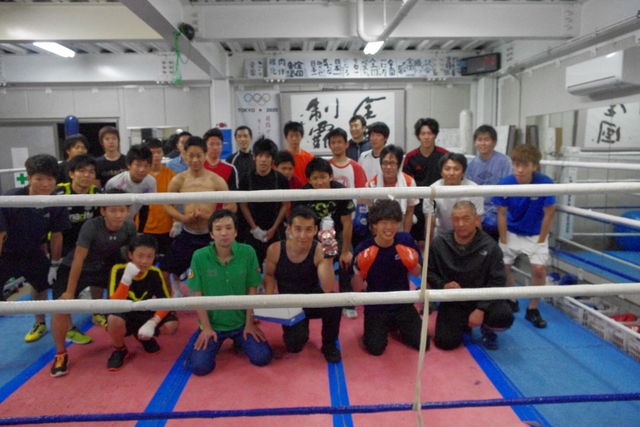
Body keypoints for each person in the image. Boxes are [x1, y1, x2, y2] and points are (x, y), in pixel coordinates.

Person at [50, 189, 136, 377]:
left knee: (121, 305)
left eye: (122, 210)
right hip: (75, 268)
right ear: (103, 211)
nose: (118, 215)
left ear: (128, 211)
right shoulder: (91, 226)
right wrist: (70, 292)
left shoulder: (129, 227)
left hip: (105, 268)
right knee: (60, 307)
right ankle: (60, 354)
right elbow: (78, 259)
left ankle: (119, 347)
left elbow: (132, 255)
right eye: (113, 210)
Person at [188, 210, 272, 375]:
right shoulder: (199, 256)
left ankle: (239, 341)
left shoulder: (248, 252)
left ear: (236, 232)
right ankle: (205, 335)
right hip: (213, 325)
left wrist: (249, 323)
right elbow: (197, 295)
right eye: (218, 229)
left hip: (241, 324)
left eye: (228, 228)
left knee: (263, 357)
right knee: (199, 367)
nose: (224, 233)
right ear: (211, 234)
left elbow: (252, 289)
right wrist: (206, 328)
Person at [0, 154, 70, 342]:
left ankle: (40, 323)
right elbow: (0, 234)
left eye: (50, 179)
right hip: (5, 253)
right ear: (29, 178)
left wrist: (54, 263)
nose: (45, 184)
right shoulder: (10, 199)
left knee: (41, 285)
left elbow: (57, 235)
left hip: (33, 252)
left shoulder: (56, 202)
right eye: (39, 179)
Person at [428, 200, 514, 350]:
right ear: (451, 220)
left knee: (502, 315)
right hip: (454, 300)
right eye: (456, 219)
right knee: (445, 343)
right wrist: (443, 285)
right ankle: (463, 324)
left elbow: (498, 281)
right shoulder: (439, 243)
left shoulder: (490, 246)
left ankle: (487, 328)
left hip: (481, 298)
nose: (461, 224)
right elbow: (429, 272)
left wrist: (481, 309)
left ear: (476, 219)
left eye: (466, 218)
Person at [264, 206, 342, 363]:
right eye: (298, 229)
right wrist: (268, 300)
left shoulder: (319, 250)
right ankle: (299, 326)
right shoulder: (275, 249)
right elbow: (269, 275)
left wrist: (329, 259)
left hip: (311, 300)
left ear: (315, 230)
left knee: (334, 302)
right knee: (294, 346)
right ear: (289, 229)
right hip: (289, 304)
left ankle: (329, 344)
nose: (303, 235)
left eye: (308, 230)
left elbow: (327, 288)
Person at [492, 144, 556, 328]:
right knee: (503, 266)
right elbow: (501, 213)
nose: (520, 170)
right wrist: (503, 239)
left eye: (525, 165)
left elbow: (549, 212)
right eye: (516, 165)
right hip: (511, 230)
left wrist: (541, 239)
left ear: (534, 166)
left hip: (536, 232)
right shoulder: (505, 183)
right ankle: (512, 298)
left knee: (539, 269)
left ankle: (532, 309)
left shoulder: (545, 183)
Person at [160, 137, 235, 286]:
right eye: (191, 155)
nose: (195, 160)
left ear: (205, 155)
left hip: (211, 235)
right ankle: (173, 298)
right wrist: (182, 218)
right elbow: (167, 205)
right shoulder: (178, 180)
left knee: (222, 271)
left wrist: (212, 217)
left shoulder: (215, 180)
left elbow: (232, 206)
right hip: (188, 232)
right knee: (164, 270)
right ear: (184, 155)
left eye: (199, 155)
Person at [352, 199, 424, 355]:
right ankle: (386, 325)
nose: (389, 227)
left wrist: (411, 262)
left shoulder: (405, 240)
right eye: (384, 223)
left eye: (393, 222)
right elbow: (357, 288)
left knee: (422, 343)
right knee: (375, 348)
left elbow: (416, 273)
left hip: (402, 303)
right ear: (374, 225)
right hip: (376, 306)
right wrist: (359, 270)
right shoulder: (364, 248)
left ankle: (395, 324)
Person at [106, 234, 179, 370]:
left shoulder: (155, 272)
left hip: (144, 313)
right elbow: (114, 304)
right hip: (123, 313)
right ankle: (119, 349)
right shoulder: (118, 270)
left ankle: (142, 335)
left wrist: (153, 322)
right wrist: (127, 278)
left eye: (149, 256)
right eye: (140, 256)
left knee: (171, 325)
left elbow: (166, 302)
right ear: (130, 255)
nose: (144, 261)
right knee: (113, 319)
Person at [294, 158, 355, 312]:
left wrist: (345, 251)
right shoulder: (302, 194)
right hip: (312, 235)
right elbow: (298, 224)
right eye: (315, 178)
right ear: (309, 180)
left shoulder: (340, 191)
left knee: (346, 259)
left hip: (337, 233)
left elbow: (347, 223)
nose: (319, 182)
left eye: (323, 177)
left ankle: (346, 299)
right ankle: (311, 297)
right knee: (304, 260)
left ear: (330, 176)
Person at [54, 154, 102, 340]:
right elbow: (53, 229)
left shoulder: (98, 194)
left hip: (90, 247)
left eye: (91, 171)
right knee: (63, 289)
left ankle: (98, 311)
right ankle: (69, 328)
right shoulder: (59, 193)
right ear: (71, 173)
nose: (87, 175)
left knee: (98, 277)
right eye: (82, 171)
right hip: (65, 248)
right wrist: (54, 260)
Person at [327, 127, 367, 318]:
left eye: (339, 142)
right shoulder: (325, 167)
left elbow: (362, 195)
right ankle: (324, 299)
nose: (336, 145)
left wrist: (359, 218)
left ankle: (346, 300)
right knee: (323, 260)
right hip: (327, 223)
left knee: (346, 259)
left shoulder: (355, 167)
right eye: (333, 142)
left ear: (346, 144)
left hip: (348, 223)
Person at [238, 137, 289, 268]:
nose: (263, 159)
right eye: (260, 155)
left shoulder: (281, 179)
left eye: (267, 156)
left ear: (272, 159)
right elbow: (243, 205)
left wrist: (274, 228)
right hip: (252, 229)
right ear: (254, 157)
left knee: (277, 265)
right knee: (253, 266)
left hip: (275, 229)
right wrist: (254, 228)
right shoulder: (245, 179)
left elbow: (285, 205)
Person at [403, 118, 449, 249]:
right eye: (423, 133)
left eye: (430, 133)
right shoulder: (410, 157)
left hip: (439, 202)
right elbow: (406, 182)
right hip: (417, 204)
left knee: (437, 242)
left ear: (435, 135)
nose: (426, 137)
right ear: (418, 136)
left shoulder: (444, 155)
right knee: (419, 243)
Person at [423, 152, 485, 240]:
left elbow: (477, 221)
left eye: (456, 169)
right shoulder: (432, 190)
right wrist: (429, 247)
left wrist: (478, 244)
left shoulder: (474, 189)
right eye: (447, 169)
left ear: (463, 172)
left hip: (468, 236)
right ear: (441, 172)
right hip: (442, 236)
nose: (451, 173)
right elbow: (430, 223)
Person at [465, 125, 512, 239]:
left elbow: (509, 190)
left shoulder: (504, 162)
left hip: (499, 210)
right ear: (475, 142)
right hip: (477, 211)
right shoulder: (471, 165)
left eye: (486, 139)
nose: (483, 143)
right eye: (479, 140)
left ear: (494, 142)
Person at [365, 145, 419, 234]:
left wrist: (404, 236)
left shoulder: (409, 182)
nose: (388, 167)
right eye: (385, 163)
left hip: (400, 226)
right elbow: (371, 215)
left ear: (399, 165)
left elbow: (409, 212)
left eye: (392, 163)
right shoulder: (371, 184)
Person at [138, 138, 177, 257]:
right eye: (152, 152)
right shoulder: (141, 175)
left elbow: (175, 202)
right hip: (144, 228)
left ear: (163, 153)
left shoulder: (172, 175)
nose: (156, 156)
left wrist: (176, 222)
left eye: (158, 152)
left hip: (166, 227)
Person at [105, 144, 156, 221]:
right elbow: (106, 209)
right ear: (129, 165)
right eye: (138, 165)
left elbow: (145, 207)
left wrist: (140, 228)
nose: (142, 169)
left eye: (146, 166)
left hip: (130, 221)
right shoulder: (114, 183)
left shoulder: (151, 182)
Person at [203, 127, 239, 193]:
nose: (215, 147)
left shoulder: (230, 169)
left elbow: (234, 195)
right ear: (205, 146)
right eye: (211, 144)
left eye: (218, 144)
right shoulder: (199, 167)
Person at [284, 121, 314, 186]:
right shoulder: (280, 158)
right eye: (291, 136)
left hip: (306, 190)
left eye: (297, 135)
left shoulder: (310, 158)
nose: (294, 139)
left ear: (302, 136)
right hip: (286, 190)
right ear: (286, 137)